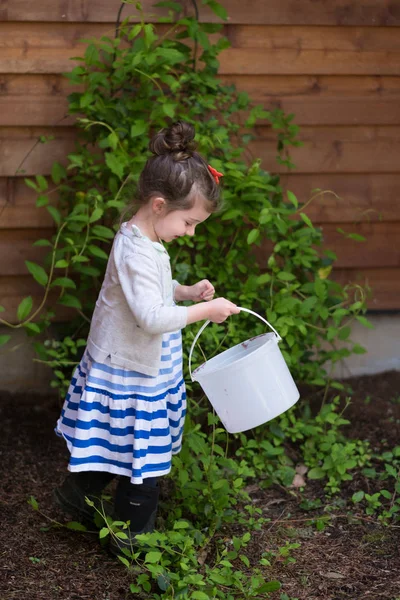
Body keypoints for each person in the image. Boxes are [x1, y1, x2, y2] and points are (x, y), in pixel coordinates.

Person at [54, 120, 240, 553]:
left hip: (138, 365)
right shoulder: (136, 248)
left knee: (114, 442)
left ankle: (76, 495)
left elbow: (152, 294)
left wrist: (185, 292)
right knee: (145, 460)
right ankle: (132, 538)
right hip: (130, 371)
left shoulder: (146, 240)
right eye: (189, 222)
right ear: (159, 205)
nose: (190, 233)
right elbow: (151, 317)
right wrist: (203, 310)